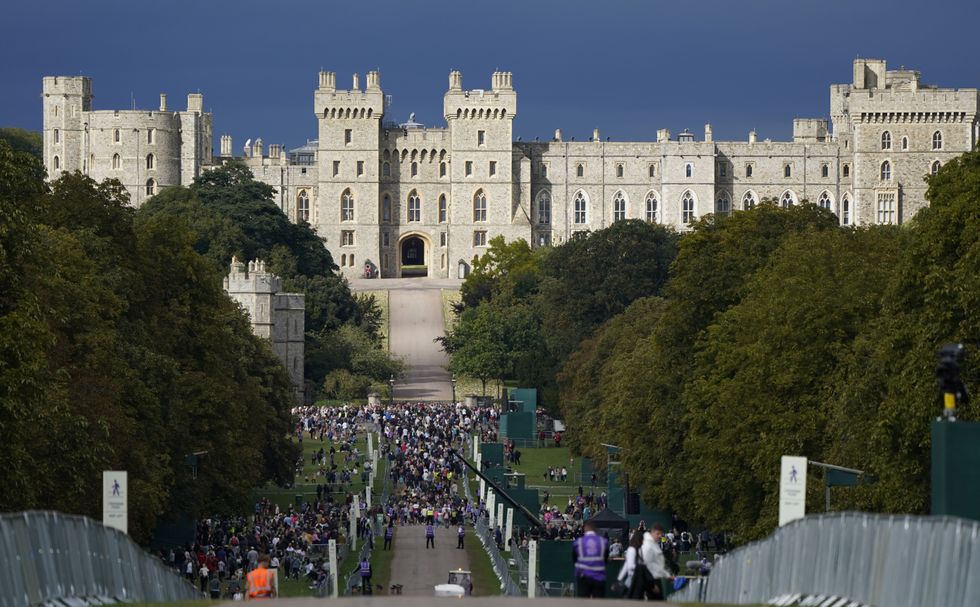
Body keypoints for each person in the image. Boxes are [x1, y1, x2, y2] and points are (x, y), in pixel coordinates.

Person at [572, 520, 608, 598]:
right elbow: (605, 559)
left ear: (585, 529)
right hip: (599, 576)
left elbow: (574, 560)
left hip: (583, 576)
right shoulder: (603, 542)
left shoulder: (578, 542)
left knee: (583, 602)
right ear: (595, 530)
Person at [639, 524, 672, 600]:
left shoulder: (654, 544)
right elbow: (645, 566)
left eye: (661, 534)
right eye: (657, 534)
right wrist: (652, 585)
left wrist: (667, 575)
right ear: (652, 532)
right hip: (651, 581)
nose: (660, 536)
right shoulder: (648, 546)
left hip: (655, 580)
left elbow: (656, 565)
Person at [616, 531, 644, 598]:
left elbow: (626, 565)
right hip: (633, 579)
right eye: (642, 540)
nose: (643, 542)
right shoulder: (632, 550)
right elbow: (629, 566)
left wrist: (620, 578)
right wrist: (642, 568)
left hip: (635, 578)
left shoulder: (638, 550)